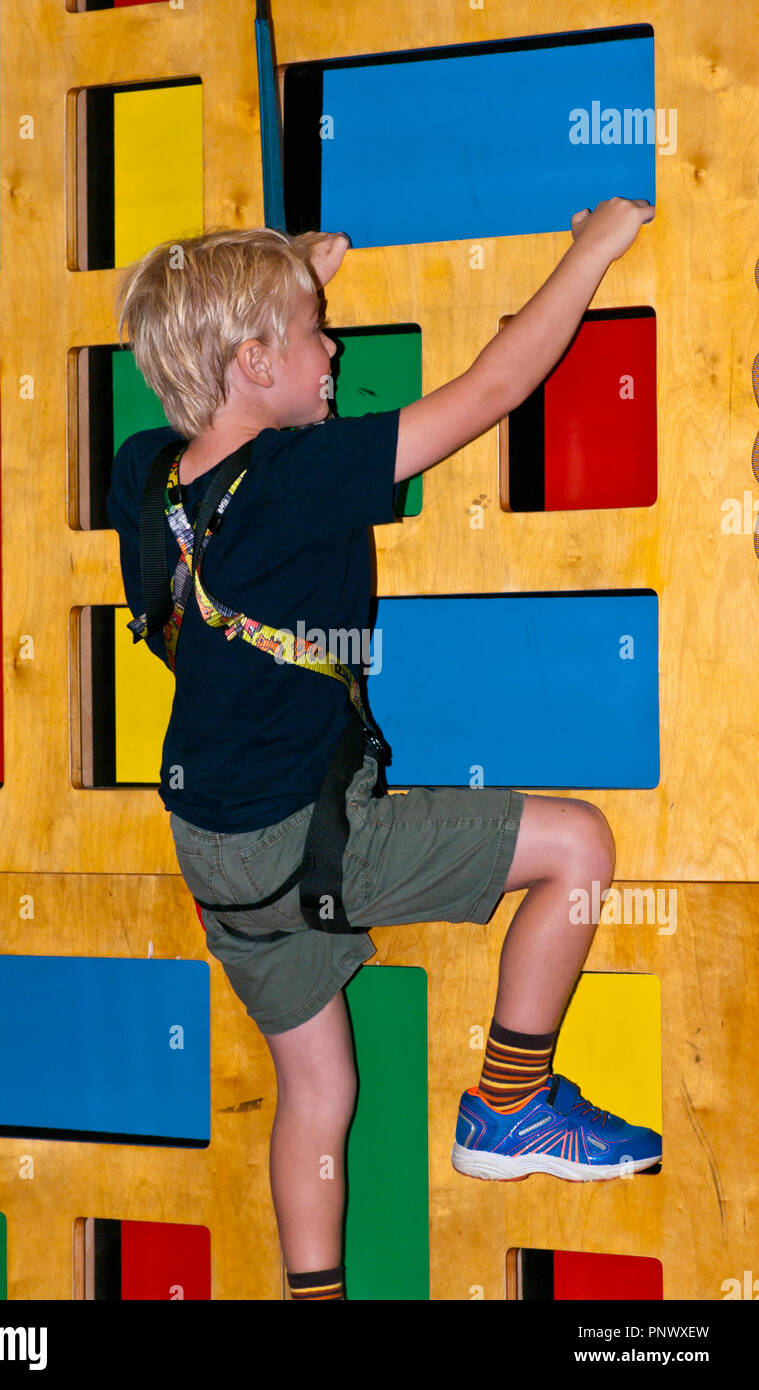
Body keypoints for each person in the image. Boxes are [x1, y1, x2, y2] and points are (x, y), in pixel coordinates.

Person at [107, 200, 659, 1302]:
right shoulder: (303, 480)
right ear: (253, 360)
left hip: (215, 844)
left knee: (318, 1089)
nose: (336, 350)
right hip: (310, 840)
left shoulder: (144, 476)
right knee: (578, 849)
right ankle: (509, 1102)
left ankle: (313, 1296)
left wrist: (289, 288)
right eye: (316, 334)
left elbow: (233, 397)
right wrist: (586, 252)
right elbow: (490, 392)